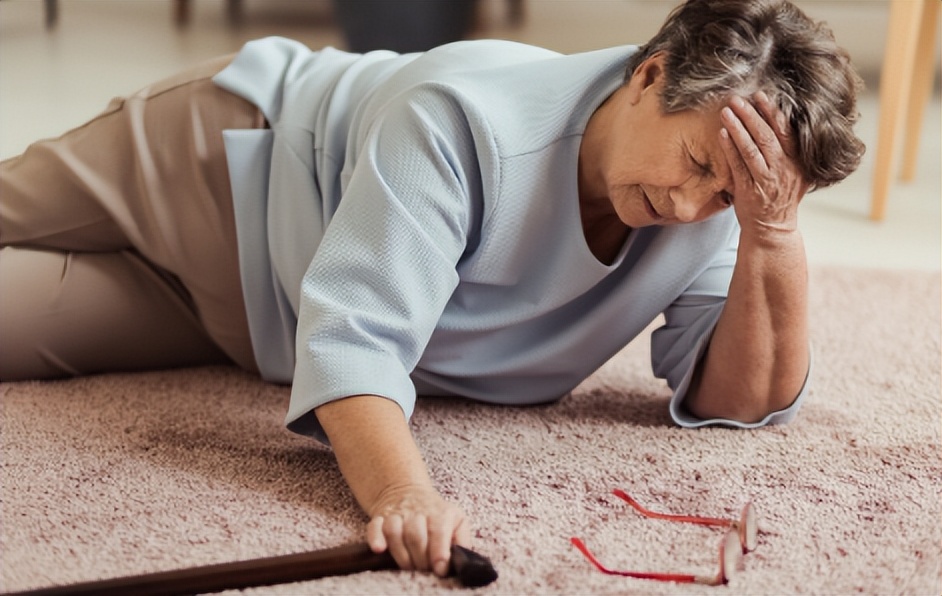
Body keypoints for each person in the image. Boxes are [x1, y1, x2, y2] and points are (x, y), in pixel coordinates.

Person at [0, 0, 864, 579]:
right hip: (215, 166)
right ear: (649, 75)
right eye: (697, 163)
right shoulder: (462, 121)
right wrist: (404, 494)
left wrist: (770, 232)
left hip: (249, 319)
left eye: (727, 194)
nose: (685, 205)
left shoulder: (720, 211)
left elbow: (739, 400)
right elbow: (356, 342)